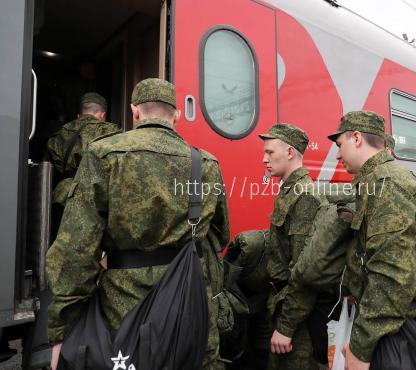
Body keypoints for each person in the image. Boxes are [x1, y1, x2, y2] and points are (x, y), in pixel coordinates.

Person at [46, 78, 230, 370]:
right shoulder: (206, 163)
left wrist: (61, 326)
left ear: (134, 112)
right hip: (187, 301)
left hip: (122, 301)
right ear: (177, 115)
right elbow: (220, 234)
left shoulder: (103, 154)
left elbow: (75, 250)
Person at [327, 111, 416, 370]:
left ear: (356, 138)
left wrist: (361, 347)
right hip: (391, 322)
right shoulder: (377, 181)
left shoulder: (387, 183)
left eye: (339, 145)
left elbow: (391, 275)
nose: (337, 154)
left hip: (398, 328)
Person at [259, 123, 326, 370]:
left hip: (297, 321)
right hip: (283, 304)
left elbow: (304, 273)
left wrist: (286, 328)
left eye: (270, 152)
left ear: (289, 152)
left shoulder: (305, 196)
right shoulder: (290, 191)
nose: (264, 159)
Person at [45, 92, 120, 208]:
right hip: (100, 200)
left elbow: (46, 172)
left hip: (64, 198)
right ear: (102, 115)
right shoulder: (113, 132)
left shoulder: (60, 135)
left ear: (79, 115)